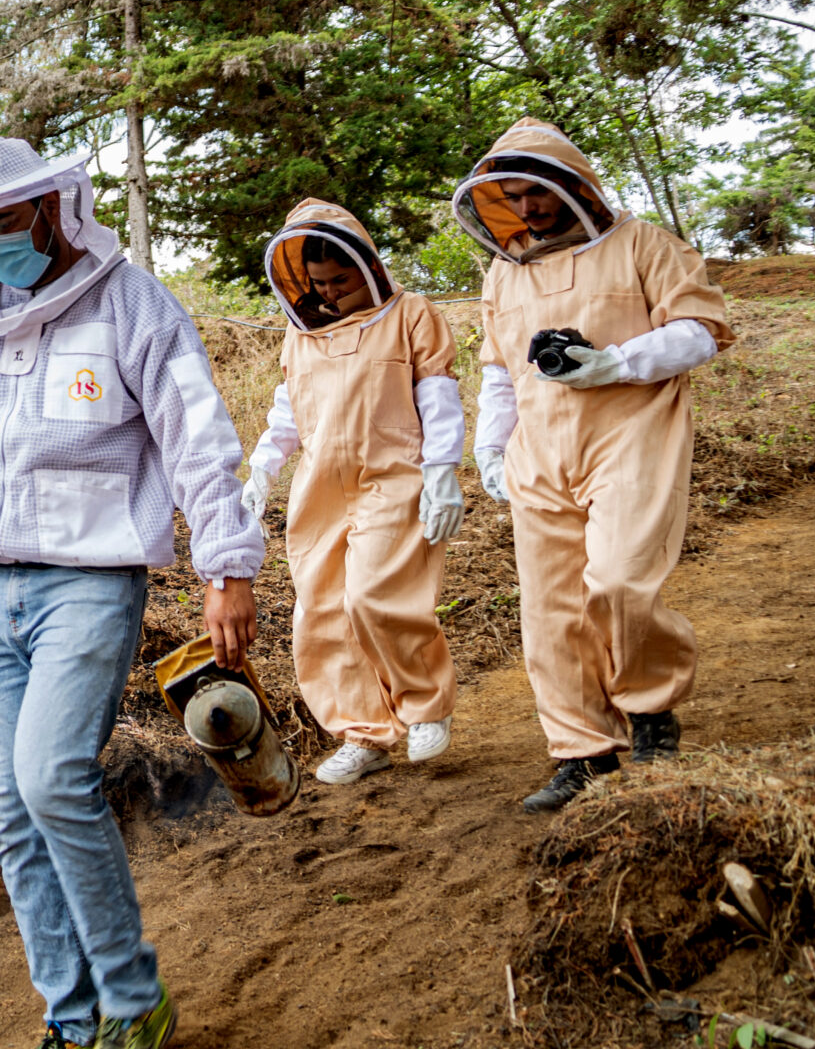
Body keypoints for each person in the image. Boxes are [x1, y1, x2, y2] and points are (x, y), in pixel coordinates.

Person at [0, 138, 262, 1049]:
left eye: (4, 222)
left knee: (54, 778)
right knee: (12, 813)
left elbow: (196, 432)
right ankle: (69, 1021)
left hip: (88, 581)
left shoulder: (130, 304)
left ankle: (134, 1007)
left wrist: (224, 565)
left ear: (56, 211)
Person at [451, 119, 734, 812]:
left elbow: (701, 331)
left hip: (631, 436)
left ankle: (651, 711)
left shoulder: (643, 244)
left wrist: (616, 361)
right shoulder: (504, 271)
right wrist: (489, 447)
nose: (526, 209)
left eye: (536, 192)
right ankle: (581, 750)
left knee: (619, 579)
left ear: (572, 182)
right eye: (512, 197)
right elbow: (499, 370)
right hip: (539, 451)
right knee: (550, 610)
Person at [240, 200, 465, 785]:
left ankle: (424, 706)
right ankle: (362, 732)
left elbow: (438, 398)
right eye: (319, 284)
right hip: (320, 490)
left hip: (393, 478)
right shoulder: (300, 339)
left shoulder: (410, 315)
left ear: (367, 266)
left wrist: (444, 470)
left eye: (341, 280)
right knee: (322, 612)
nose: (332, 293)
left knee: (376, 596)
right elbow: (286, 416)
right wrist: (262, 470)